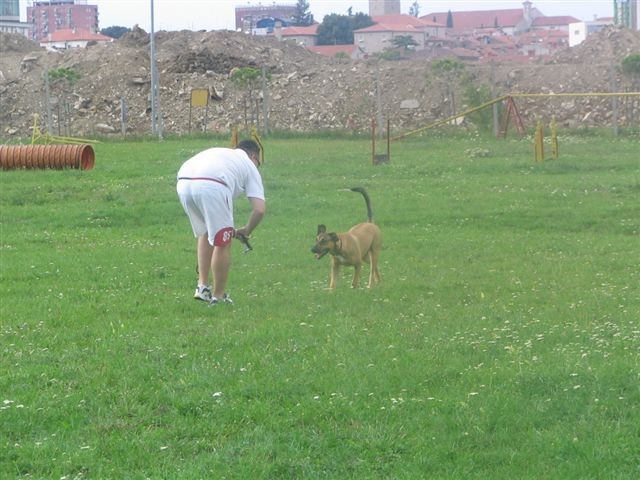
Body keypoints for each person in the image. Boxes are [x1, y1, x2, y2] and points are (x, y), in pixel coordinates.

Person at [176, 139, 265, 305]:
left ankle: (202, 287)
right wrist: (247, 230)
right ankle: (218, 296)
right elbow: (259, 209)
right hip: (212, 184)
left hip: (184, 181)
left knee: (206, 232)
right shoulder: (249, 164)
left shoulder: (225, 154)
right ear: (253, 156)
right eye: (258, 163)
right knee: (223, 242)